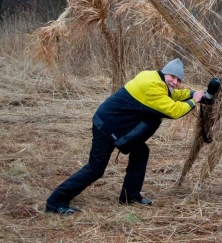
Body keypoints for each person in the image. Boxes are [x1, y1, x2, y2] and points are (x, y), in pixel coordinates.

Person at [45, 58, 205, 215]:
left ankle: (130, 197)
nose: (175, 82)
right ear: (164, 73)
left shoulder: (155, 79)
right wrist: (193, 101)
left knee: (141, 152)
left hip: (117, 125)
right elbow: (173, 110)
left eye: (179, 80)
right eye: (172, 77)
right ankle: (56, 201)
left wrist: (192, 93)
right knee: (95, 168)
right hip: (106, 125)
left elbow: (173, 95)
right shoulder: (153, 86)